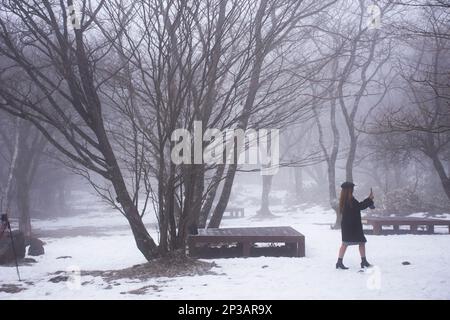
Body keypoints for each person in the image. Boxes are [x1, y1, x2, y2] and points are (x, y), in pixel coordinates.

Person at [336, 182, 374, 270]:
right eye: (352, 188)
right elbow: (360, 206)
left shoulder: (345, 199)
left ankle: (340, 262)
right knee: (359, 242)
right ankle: (362, 261)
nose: (353, 189)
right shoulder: (349, 200)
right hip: (352, 226)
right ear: (349, 189)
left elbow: (358, 206)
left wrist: (368, 199)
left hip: (348, 225)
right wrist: (369, 199)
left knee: (348, 243)